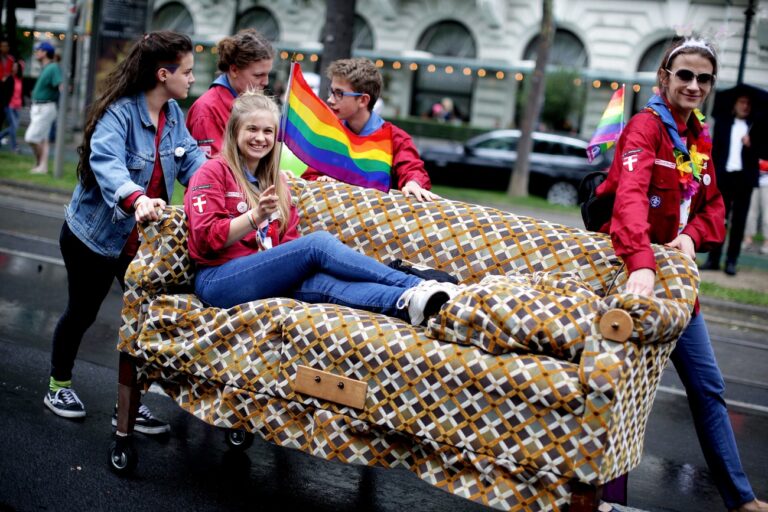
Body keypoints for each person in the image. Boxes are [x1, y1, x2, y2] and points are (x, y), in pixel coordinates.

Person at [594, 37, 767, 512]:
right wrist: (642, 267)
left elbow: (713, 206)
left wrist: (691, 237)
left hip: (677, 287)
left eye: (703, 78)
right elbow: (629, 199)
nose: (693, 85)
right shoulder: (644, 128)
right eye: (684, 75)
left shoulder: (698, 137)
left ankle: (741, 499)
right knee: (621, 393)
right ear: (664, 78)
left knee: (709, 388)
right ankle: (603, 501)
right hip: (631, 279)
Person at [43, 31, 206, 435]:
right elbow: (107, 164)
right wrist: (136, 199)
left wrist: (223, 186)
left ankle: (128, 405)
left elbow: (195, 163)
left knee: (143, 323)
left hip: (140, 240)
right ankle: (57, 386)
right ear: (163, 73)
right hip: (93, 237)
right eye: (186, 72)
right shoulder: (119, 114)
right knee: (82, 311)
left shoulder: (173, 115)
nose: (191, 79)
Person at [185, 91, 458, 328]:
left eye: (268, 131)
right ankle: (413, 283)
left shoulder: (277, 180)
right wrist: (255, 217)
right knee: (316, 245)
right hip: (219, 280)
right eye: (252, 129)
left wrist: (291, 262)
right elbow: (205, 240)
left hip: (263, 274)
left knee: (327, 284)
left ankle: (416, 302)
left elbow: (287, 245)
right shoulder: (212, 172)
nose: (260, 138)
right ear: (235, 131)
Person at [301, 58, 438, 201]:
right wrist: (320, 180)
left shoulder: (395, 138)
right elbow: (309, 177)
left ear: (363, 100)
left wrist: (413, 183)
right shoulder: (329, 133)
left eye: (339, 93)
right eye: (332, 91)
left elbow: (412, 169)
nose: (330, 99)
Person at [186, 28, 273, 158]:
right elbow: (211, 171)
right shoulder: (207, 110)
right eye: (258, 75)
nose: (265, 82)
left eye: (267, 74)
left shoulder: (250, 104)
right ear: (234, 70)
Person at [703, 93, 764, 275]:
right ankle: (713, 259)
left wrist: (752, 144)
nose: (745, 106)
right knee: (719, 220)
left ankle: (731, 261)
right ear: (735, 104)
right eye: (742, 101)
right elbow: (714, 151)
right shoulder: (723, 123)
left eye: (748, 103)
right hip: (724, 177)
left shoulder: (755, 127)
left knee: (739, 222)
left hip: (744, 179)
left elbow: (764, 152)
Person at [24, 40, 61, 175]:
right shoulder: (46, 67)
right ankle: (42, 167)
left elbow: (61, 84)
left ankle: (40, 164)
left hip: (45, 107)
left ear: (45, 52)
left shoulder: (53, 67)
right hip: (40, 107)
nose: (36, 52)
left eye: (38, 50)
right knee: (43, 140)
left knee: (31, 138)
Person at [743, 161, 768, 254]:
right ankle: (748, 240)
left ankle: (767, 242)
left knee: (767, 215)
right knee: (751, 212)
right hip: (754, 180)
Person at [0, 59, 23, 152]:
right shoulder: (9, 78)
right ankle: (14, 147)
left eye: (16, 67)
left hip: (18, 106)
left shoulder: (19, 79)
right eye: (13, 66)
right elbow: (4, 91)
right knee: (13, 126)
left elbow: (20, 92)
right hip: (9, 106)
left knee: (14, 127)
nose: (14, 68)